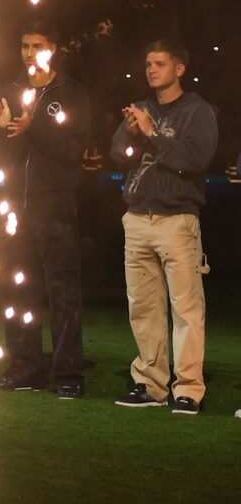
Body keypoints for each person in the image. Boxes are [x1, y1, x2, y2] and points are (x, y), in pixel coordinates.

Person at [109, 39, 217, 415]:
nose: (152, 70)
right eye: (148, 64)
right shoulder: (141, 109)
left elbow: (195, 159)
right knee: (143, 308)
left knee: (186, 308)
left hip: (177, 220)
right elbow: (118, 156)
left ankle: (188, 389)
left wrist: (152, 134)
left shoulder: (197, 111)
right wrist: (130, 133)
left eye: (160, 64)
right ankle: (150, 384)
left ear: (179, 69)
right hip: (138, 217)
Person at [0, 21, 90, 399]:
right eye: (24, 45)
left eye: (37, 46)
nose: (29, 53)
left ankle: (68, 373)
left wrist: (34, 129)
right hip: (15, 207)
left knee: (63, 292)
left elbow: (74, 150)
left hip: (55, 205)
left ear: (53, 49)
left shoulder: (72, 93)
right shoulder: (9, 92)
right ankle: (25, 367)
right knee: (18, 290)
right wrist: (2, 131)